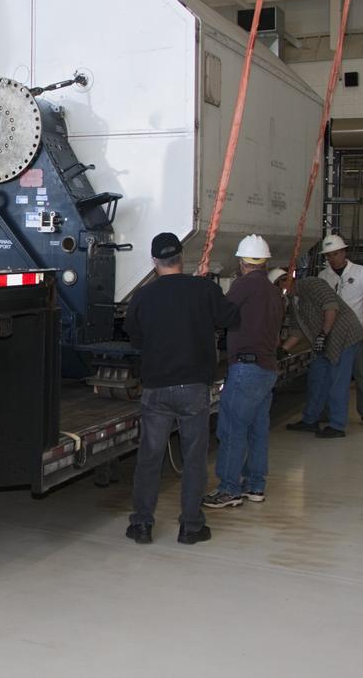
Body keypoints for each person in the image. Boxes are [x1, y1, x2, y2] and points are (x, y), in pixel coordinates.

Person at [124, 232, 240, 546]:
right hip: (193, 387)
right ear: (182, 257)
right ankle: (191, 526)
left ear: (154, 261)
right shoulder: (204, 289)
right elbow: (231, 317)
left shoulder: (143, 296)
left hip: (156, 387)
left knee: (150, 457)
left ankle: (142, 524)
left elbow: (134, 337)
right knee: (194, 458)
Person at [203, 235, 285, 509]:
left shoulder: (244, 285)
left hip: (246, 369)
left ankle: (229, 488)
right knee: (258, 430)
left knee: (232, 429)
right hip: (267, 368)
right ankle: (255, 485)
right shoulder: (273, 291)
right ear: (264, 262)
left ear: (242, 262)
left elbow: (221, 314)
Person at [283, 275, 363, 438]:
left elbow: (331, 307)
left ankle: (337, 425)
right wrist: (283, 349)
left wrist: (322, 335)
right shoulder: (293, 301)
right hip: (324, 341)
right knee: (317, 378)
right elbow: (297, 331)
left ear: (288, 280)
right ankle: (310, 420)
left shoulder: (312, 283)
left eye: (281, 285)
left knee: (337, 381)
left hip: (344, 336)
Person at [318, 235, 363, 426]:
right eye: (328, 255)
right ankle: (327, 410)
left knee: (361, 373)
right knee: (331, 374)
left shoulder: (359, 272)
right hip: (333, 332)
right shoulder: (324, 276)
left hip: (355, 331)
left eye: (335, 254)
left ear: (344, 252)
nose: (332, 258)